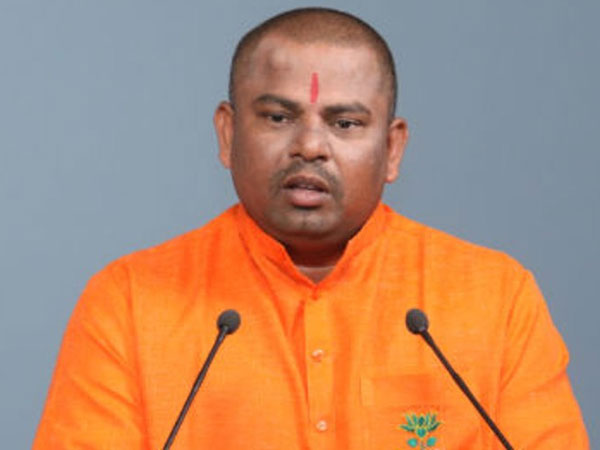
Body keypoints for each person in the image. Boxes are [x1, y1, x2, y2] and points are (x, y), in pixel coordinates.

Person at [33, 7, 588, 449]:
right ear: (227, 134)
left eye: (344, 123)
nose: (310, 146)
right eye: (278, 118)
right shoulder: (129, 302)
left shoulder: (497, 297)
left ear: (392, 149)